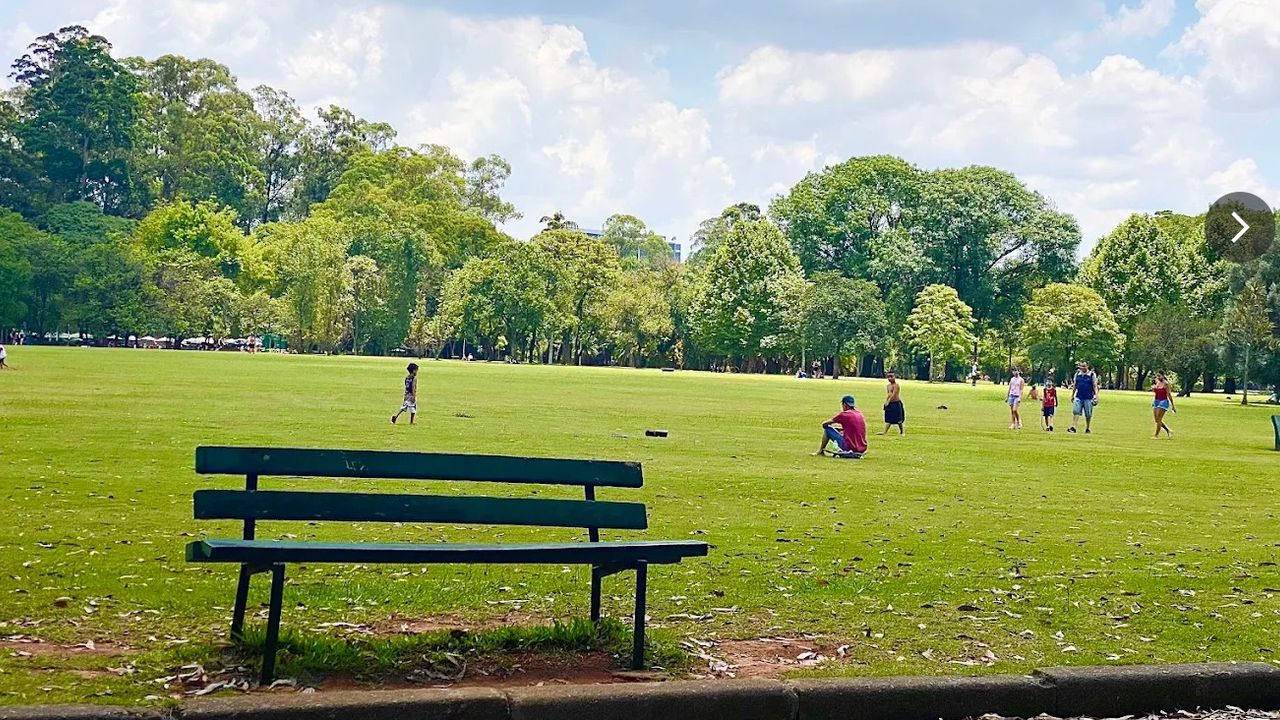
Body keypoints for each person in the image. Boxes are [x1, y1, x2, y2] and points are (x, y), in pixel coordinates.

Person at [1069, 362, 1099, 434]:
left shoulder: (1092, 375)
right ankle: (1073, 427)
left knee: (1088, 414)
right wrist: (1072, 395)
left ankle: (1087, 428)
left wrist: (1096, 396)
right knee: (1076, 411)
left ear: (1087, 366)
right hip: (1079, 396)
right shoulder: (1077, 374)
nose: (1083, 368)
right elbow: (1075, 385)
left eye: (1084, 366)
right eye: (1081, 366)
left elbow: (1095, 386)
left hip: (1088, 397)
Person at [1151, 372, 1176, 437]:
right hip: (1156, 401)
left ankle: (1156, 435)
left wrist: (1172, 405)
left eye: (1159, 376)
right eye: (1157, 376)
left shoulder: (1166, 384)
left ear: (1163, 375)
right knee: (1156, 420)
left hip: (1163, 401)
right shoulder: (1158, 382)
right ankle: (1168, 430)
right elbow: (1156, 391)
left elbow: (1169, 394)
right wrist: (1153, 389)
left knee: (1159, 419)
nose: (1158, 377)